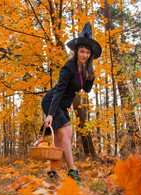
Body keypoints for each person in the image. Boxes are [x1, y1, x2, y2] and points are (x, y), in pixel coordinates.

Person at [40, 22, 102, 181]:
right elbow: (59, 91)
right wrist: (50, 115)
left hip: (62, 105)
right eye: (82, 51)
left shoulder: (85, 69)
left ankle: (53, 172)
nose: (85, 55)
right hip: (52, 101)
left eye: (88, 52)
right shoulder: (68, 68)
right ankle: (72, 170)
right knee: (67, 132)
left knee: (60, 138)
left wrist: (92, 74)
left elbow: (86, 89)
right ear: (76, 52)